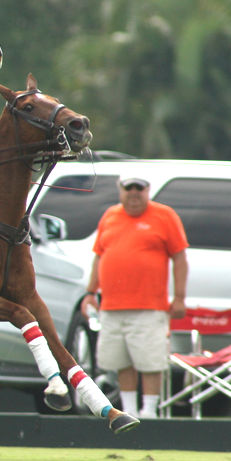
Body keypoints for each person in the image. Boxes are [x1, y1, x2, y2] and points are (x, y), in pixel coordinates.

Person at [80, 172, 189, 419]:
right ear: (120, 189)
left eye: (139, 188)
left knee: (150, 361)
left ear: (148, 190)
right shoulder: (110, 215)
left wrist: (180, 297)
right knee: (121, 361)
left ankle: (149, 412)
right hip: (111, 306)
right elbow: (99, 256)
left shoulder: (165, 215)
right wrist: (90, 293)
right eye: (129, 187)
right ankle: (128, 411)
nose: (134, 193)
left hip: (150, 305)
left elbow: (180, 258)